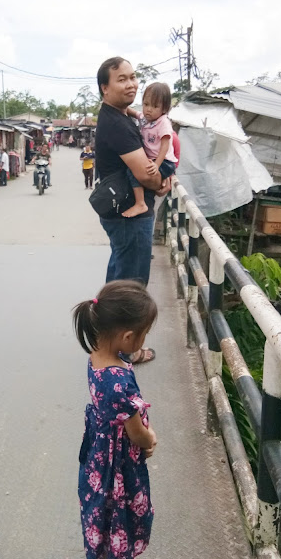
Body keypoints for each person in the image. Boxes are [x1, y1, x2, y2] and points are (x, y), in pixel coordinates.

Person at [74, 280, 158, 559]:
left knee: (101, 509)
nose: (144, 340)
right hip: (117, 460)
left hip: (99, 452)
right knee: (119, 510)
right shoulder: (118, 382)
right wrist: (150, 438)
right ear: (128, 336)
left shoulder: (96, 354)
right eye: (144, 334)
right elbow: (136, 434)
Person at [95, 57, 170, 364]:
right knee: (132, 286)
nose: (131, 84)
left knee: (118, 278)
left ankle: (105, 340)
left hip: (120, 213)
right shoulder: (117, 124)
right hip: (130, 215)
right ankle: (124, 352)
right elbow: (143, 174)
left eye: (133, 77)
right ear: (105, 88)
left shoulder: (119, 116)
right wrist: (161, 182)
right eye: (122, 79)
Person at [123, 83, 177, 218]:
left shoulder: (163, 122)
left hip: (164, 161)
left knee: (133, 171)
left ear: (164, 109)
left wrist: (157, 165)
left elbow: (165, 146)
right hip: (154, 160)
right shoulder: (145, 119)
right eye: (146, 104)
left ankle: (140, 203)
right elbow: (133, 112)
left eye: (155, 106)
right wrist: (117, 106)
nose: (148, 110)